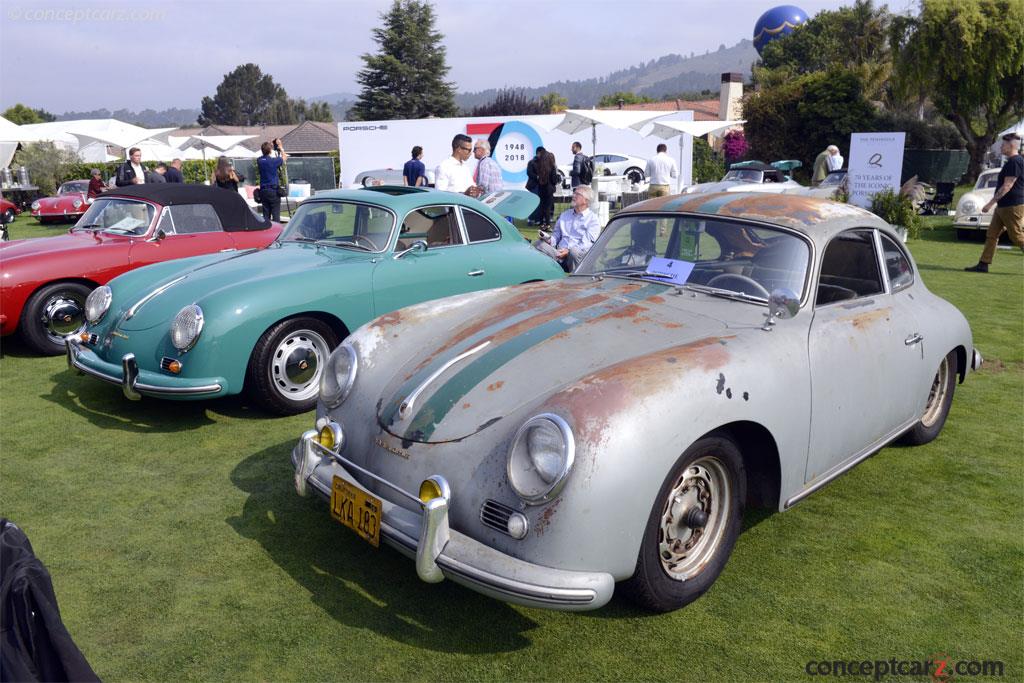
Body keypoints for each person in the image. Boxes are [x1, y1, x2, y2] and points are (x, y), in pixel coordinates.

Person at [965, 132, 1024, 273]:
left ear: (1011, 146)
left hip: (1012, 206)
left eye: (1003, 144)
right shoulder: (1015, 161)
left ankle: (983, 264)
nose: (1001, 147)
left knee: (1016, 236)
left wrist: (990, 204)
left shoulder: (1015, 162)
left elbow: (1007, 185)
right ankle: (983, 264)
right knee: (992, 234)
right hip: (1004, 206)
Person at [533, 185, 600, 272]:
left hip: (576, 257)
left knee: (574, 252)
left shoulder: (593, 220)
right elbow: (556, 236)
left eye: (578, 194)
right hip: (558, 254)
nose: (573, 196)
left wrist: (568, 252)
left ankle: (576, 281)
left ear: (586, 201)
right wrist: (549, 239)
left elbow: (586, 245)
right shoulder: (565, 215)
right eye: (574, 193)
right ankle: (546, 278)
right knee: (538, 244)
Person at [257, 138, 287, 222]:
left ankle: (266, 231)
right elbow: (284, 157)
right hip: (273, 191)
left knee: (266, 216)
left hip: (263, 192)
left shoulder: (259, 161)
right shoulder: (273, 161)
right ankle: (277, 233)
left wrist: (269, 146)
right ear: (270, 150)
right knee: (276, 215)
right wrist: (281, 147)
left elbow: (265, 155)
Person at [535, 146, 557, 228]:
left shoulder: (539, 166)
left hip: (541, 188)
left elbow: (538, 178)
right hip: (549, 189)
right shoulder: (552, 167)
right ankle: (547, 224)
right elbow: (554, 180)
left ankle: (541, 222)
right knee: (547, 207)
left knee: (542, 206)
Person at [526, 150, 542, 226]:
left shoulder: (542, 162)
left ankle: (537, 219)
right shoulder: (531, 162)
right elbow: (529, 173)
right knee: (534, 202)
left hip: (540, 185)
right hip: (534, 185)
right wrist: (537, 177)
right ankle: (531, 219)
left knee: (538, 203)